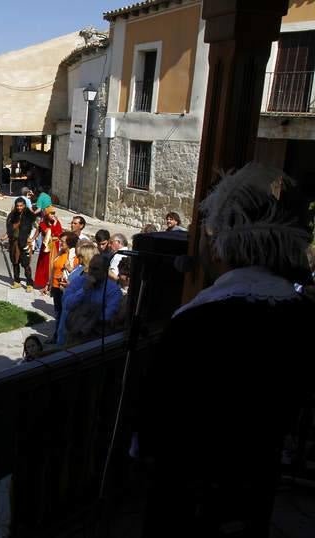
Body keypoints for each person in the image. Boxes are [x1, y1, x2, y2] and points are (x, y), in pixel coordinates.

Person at [140, 163, 315, 537]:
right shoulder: (298, 314)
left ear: (221, 246)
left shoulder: (196, 324)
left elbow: (158, 426)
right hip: (256, 483)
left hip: (192, 496)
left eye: (205, 232)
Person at [61, 254, 122, 345]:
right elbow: (67, 304)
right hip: (73, 335)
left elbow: (107, 316)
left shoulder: (113, 290)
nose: (91, 272)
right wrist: (83, 290)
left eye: (95, 269)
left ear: (105, 271)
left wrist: (87, 313)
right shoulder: (79, 281)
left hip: (95, 339)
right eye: (90, 268)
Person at [1, 197, 37, 292]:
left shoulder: (29, 215)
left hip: (24, 242)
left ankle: (29, 284)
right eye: (17, 206)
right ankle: (17, 281)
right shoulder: (12, 215)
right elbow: (10, 228)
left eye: (21, 206)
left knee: (26, 264)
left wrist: (31, 238)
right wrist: (5, 236)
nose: (19, 208)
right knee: (15, 262)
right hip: (14, 243)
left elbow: (35, 228)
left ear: (24, 205)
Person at [33, 207, 63, 294]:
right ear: (47, 214)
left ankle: (51, 284)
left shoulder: (57, 223)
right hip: (47, 246)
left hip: (55, 245)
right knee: (45, 264)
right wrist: (32, 239)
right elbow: (45, 231)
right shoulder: (43, 223)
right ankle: (44, 283)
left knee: (53, 264)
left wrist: (55, 224)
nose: (53, 215)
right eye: (51, 213)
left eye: (54, 213)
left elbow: (59, 233)